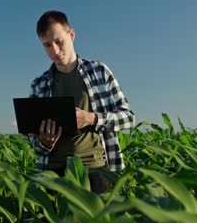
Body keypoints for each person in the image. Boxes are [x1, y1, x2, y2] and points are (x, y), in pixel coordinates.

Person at [28, 11, 135, 194]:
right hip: (54, 172)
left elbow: (128, 117)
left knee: (99, 222)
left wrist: (92, 118)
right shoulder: (39, 85)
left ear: (71, 35)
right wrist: (45, 142)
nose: (54, 50)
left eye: (58, 41)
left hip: (96, 168)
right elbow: (32, 138)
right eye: (47, 45)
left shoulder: (99, 72)